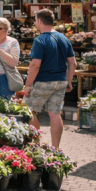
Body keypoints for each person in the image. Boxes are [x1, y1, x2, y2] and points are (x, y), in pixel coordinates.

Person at [24, 8, 77, 150]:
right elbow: (72, 62)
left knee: (29, 111)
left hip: (43, 80)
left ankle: (34, 146)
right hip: (60, 81)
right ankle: (55, 149)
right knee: (55, 113)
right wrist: (69, 80)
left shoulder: (40, 40)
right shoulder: (64, 38)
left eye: (35, 20)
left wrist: (28, 85)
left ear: (40, 21)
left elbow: (35, 65)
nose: (35, 23)